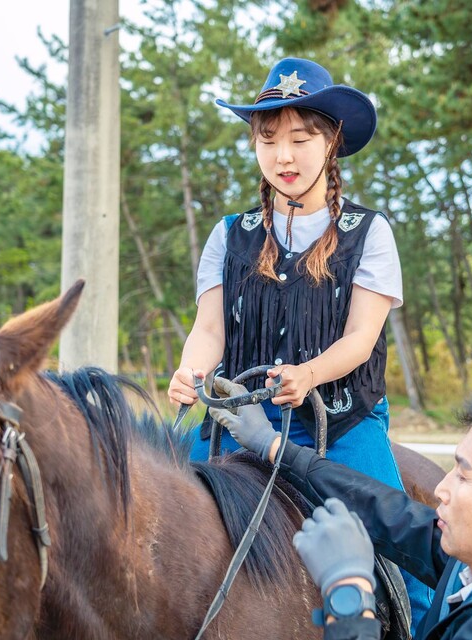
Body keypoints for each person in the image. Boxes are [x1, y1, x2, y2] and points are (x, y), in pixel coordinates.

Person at [165, 57, 433, 627]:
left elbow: (362, 338)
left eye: (300, 138)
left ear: (331, 141)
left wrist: (308, 374)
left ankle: (423, 625)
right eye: (268, 140)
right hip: (236, 419)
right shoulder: (228, 235)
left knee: (412, 554)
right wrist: (190, 371)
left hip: (340, 421)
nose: (283, 156)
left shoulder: (370, 232)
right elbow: (209, 329)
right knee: (160, 522)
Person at [209, 387, 472, 640]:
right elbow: (391, 514)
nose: (441, 488)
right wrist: (273, 446)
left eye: (465, 477)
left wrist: (348, 591)